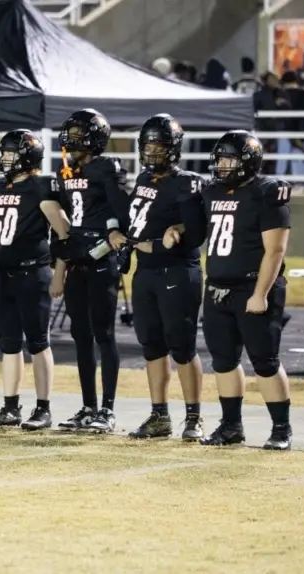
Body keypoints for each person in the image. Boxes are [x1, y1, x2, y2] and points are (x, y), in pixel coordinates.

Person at [192, 131, 293, 450]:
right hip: (218, 288)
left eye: (229, 160)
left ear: (248, 162)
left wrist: (260, 294)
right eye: (220, 159)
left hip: (253, 287)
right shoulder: (211, 192)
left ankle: (281, 429)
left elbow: (275, 251)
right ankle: (231, 426)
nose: (222, 165)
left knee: (265, 362)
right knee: (223, 361)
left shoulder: (267, 192)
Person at [124, 114, 206, 441]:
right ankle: (159, 415)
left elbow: (198, 230)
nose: (152, 151)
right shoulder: (144, 178)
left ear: (173, 148)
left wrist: (175, 231)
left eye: (158, 145)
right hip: (146, 270)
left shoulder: (186, 182)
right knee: (152, 345)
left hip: (177, 270)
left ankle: (194, 417)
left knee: (182, 346)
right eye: (148, 145)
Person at [0, 129, 68, 429]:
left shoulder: (39, 188)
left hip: (33, 273)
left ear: (27, 157)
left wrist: (59, 274)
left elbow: (64, 234)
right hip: (5, 275)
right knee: (9, 344)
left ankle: (43, 408)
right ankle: (10, 406)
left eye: (10, 153)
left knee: (38, 342)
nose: (4, 158)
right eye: (3, 153)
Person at [57, 108, 130, 433]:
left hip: (101, 259)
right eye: (70, 133)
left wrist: (111, 235)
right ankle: (88, 407)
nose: (71, 139)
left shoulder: (106, 167)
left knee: (104, 334)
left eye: (78, 133)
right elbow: (64, 218)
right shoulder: (66, 171)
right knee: (81, 336)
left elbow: (123, 213)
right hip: (76, 260)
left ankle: (108, 410)